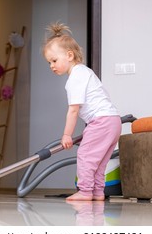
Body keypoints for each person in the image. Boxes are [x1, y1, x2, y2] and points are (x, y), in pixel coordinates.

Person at [42, 21, 122, 201]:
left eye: (54, 60)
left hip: (101, 121)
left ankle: (85, 191)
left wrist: (66, 135)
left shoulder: (76, 77)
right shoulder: (85, 72)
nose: (51, 66)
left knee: (86, 155)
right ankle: (98, 193)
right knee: (100, 162)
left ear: (69, 55)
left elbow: (73, 110)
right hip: (113, 121)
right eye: (49, 63)